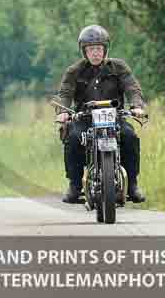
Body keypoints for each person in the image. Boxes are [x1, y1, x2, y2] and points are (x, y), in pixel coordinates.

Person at [56, 24, 147, 204]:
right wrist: (63, 112)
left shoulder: (118, 67)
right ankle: (75, 185)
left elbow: (132, 87)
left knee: (129, 136)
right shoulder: (74, 71)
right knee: (73, 138)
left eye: (98, 48)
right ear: (84, 52)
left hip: (115, 117)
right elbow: (65, 93)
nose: (95, 53)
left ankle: (132, 185)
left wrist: (137, 106)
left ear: (105, 49)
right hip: (85, 119)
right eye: (91, 49)